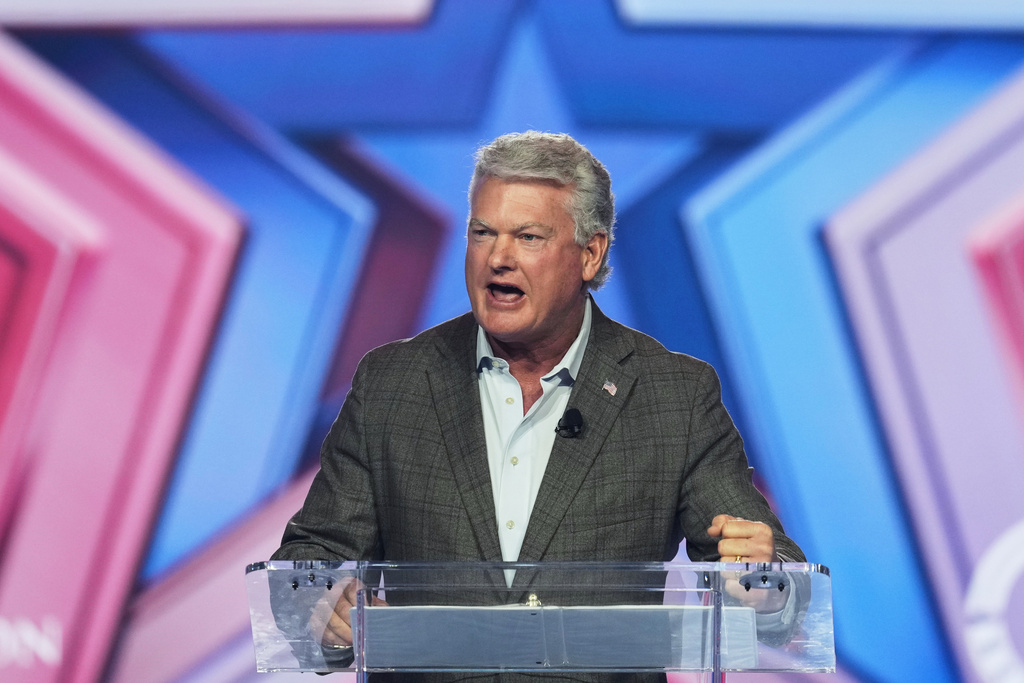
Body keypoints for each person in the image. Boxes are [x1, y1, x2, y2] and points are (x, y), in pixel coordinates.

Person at [271, 131, 805, 678]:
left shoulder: (674, 394)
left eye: (528, 237)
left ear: (590, 254)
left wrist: (765, 583)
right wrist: (317, 597)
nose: (498, 258)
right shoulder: (393, 382)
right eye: (483, 233)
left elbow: (766, 570)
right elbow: (311, 555)